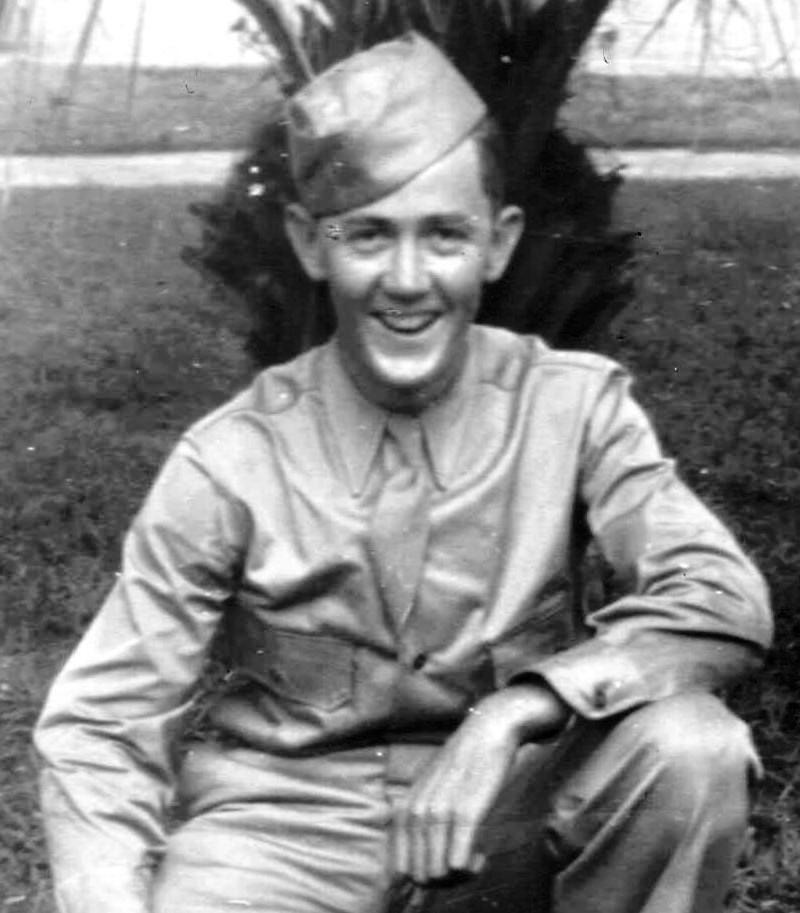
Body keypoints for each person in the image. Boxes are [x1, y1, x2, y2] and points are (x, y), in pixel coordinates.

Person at [34, 32, 771, 913]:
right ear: (311, 243)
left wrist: (511, 714)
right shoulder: (230, 457)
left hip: (504, 823)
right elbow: (102, 723)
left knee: (689, 749)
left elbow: (718, 595)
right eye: (370, 235)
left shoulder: (573, 410)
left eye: (445, 235)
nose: (409, 280)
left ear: (498, 244)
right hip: (282, 840)